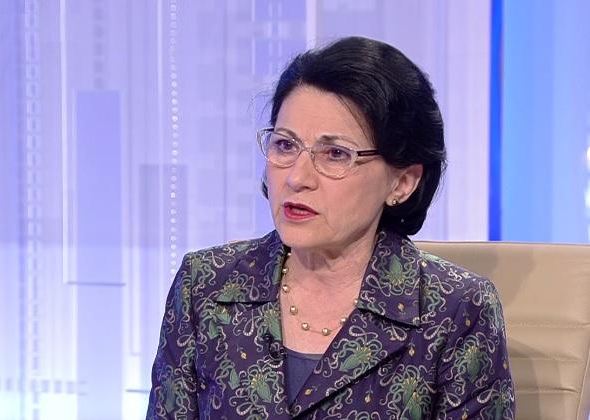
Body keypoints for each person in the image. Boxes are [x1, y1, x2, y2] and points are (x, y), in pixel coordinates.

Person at [146, 36, 515, 419]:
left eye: (335, 154)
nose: (297, 178)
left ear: (402, 182)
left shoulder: (457, 311)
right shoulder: (205, 285)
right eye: (285, 145)